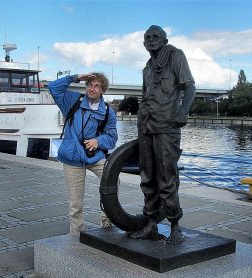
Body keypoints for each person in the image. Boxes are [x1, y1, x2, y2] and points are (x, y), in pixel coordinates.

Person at [130, 25, 196, 245]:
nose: (151, 40)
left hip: (167, 126)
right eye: (147, 37)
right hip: (146, 126)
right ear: (143, 43)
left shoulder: (175, 55)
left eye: (155, 36)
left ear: (165, 40)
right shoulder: (147, 68)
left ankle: (176, 225)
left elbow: (190, 87)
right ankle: (150, 224)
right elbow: (145, 96)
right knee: (147, 177)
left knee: (167, 179)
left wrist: (181, 113)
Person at [48, 72, 118, 235]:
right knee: (75, 202)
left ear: (103, 90)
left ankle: (107, 218)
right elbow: (53, 87)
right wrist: (75, 77)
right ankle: (77, 234)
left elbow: (113, 137)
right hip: (73, 157)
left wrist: (98, 141)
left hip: (95, 157)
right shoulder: (73, 101)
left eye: (96, 86)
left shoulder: (108, 111)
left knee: (113, 180)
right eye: (89, 85)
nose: (92, 89)